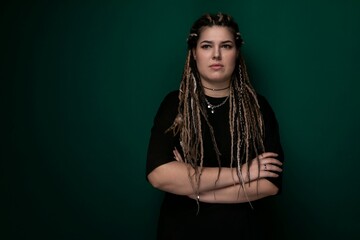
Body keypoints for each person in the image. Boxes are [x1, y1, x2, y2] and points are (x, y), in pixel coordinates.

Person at [146, 12, 284, 240]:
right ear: (193, 52)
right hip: (182, 231)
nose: (216, 55)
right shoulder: (175, 104)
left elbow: (270, 184)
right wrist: (243, 173)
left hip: (244, 231)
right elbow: (159, 175)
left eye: (226, 46)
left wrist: (195, 192)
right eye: (207, 46)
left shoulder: (258, 107)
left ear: (237, 53)